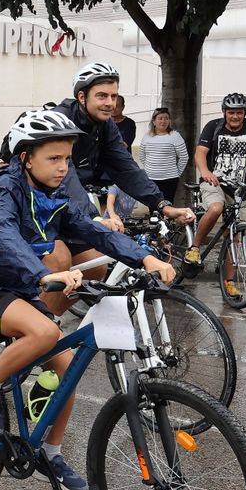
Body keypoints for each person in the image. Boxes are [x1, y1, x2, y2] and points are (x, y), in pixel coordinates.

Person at [0, 108, 177, 490]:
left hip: (23, 286)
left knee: (67, 373)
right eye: (53, 159)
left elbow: (96, 232)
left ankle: (51, 454)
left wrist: (144, 257)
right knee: (44, 333)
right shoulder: (6, 192)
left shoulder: (55, 195)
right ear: (25, 158)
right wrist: (44, 273)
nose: (63, 168)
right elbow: (5, 236)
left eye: (67, 159)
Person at [50, 62, 194, 307]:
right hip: (40, 207)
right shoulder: (61, 122)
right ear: (82, 97)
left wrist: (162, 205)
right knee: (60, 259)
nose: (110, 103)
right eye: (102, 96)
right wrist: (95, 218)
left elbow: (126, 168)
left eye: (114, 96)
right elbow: (66, 177)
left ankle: (49, 320)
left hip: (69, 210)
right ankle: (33, 330)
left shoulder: (105, 127)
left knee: (96, 267)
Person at [189, 93, 246, 296]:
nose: (235, 116)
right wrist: (205, 172)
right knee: (216, 207)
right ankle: (194, 248)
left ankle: (229, 283)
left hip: (238, 188)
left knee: (233, 236)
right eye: (231, 112)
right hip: (214, 183)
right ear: (224, 112)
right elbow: (201, 152)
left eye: (239, 112)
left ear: (244, 113)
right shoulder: (213, 126)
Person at [138, 107, 189, 204]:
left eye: (166, 118)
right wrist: (151, 168)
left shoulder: (175, 136)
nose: (163, 121)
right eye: (160, 118)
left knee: (167, 205)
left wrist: (177, 173)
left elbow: (184, 157)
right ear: (154, 121)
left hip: (169, 179)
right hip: (150, 179)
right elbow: (142, 156)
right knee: (152, 205)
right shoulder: (147, 137)